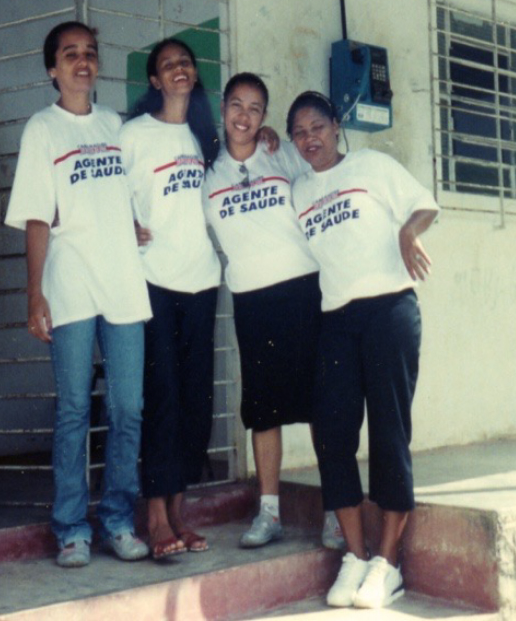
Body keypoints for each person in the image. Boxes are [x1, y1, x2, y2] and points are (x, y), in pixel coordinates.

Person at [4, 21, 151, 568]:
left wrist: (132, 220)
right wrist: (35, 294)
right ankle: (71, 528)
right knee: (73, 409)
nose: (82, 62)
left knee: (128, 407)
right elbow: (38, 216)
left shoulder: (118, 124)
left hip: (122, 282)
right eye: (70, 55)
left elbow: (140, 185)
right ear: (52, 68)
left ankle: (117, 519)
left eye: (90, 53)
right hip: (68, 282)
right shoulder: (42, 129)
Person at [287, 91, 439, 609]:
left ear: (336, 126)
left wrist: (407, 231)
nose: (310, 139)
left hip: (389, 310)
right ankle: (355, 556)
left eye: (317, 127)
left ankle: (388, 563)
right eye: (299, 133)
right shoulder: (298, 193)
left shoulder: (373, 165)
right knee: (332, 434)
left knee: (390, 433)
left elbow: (424, 206)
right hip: (337, 320)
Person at [202, 73, 345, 551]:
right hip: (252, 300)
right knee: (264, 412)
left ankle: (335, 512)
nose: (244, 117)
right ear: (223, 109)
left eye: (256, 108)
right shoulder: (208, 177)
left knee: (321, 407)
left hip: (304, 292)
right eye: (237, 106)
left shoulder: (282, 154)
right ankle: (269, 514)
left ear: (265, 117)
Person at [122, 38, 221, 560]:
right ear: (155, 81)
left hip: (202, 281)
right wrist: (122, 224)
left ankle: (179, 510)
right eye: (167, 65)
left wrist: (268, 135)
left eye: (185, 61)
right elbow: (107, 195)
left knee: (196, 402)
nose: (179, 69)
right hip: (154, 282)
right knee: (161, 397)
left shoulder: (207, 136)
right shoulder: (133, 135)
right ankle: (155, 516)